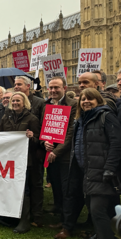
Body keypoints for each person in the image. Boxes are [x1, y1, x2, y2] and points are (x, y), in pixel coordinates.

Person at [55, 88, 121, 239]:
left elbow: (117, 144)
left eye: (90, 99)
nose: (86, 102)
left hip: (102, 172)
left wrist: (110, 168)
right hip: (86, 172)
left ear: (98, 100)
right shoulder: (80, 121)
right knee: (98, 210)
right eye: (83, 99)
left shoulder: (106, 116)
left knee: (97, 210)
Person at [0, 92, 40, 234]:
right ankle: (10, 215)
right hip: (8, 160)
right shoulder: (6, 117)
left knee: (24, 189)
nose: (15, 103)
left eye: (18, 101)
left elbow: (38, 142)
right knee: (8, 186)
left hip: (24, 161)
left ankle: (24, 220)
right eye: (13, 100)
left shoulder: (32, 119)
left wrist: (32, 137)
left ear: (24, 103)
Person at [40, 77, 77, 230]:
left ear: (65, 88)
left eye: (57, 87)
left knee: (66, 188)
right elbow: (43, 127)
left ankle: (66, 222)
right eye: (51, 87)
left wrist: (57, 151)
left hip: (65, 155)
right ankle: (58, 210)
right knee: (55, 184)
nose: (53, 90)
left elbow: (71, 132)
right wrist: (44, 142)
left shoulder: (73, 104)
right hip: (50, 154)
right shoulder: (46, 104)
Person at [14, 76, 45, 226]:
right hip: (16, 155)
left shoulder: (39, 103)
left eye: (19, 84)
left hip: (34, 152)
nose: (16, 87)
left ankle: (37, 216)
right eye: (15, 85)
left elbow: (43, 127)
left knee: (35, 184)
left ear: (28, 86)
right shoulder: (9, 114)